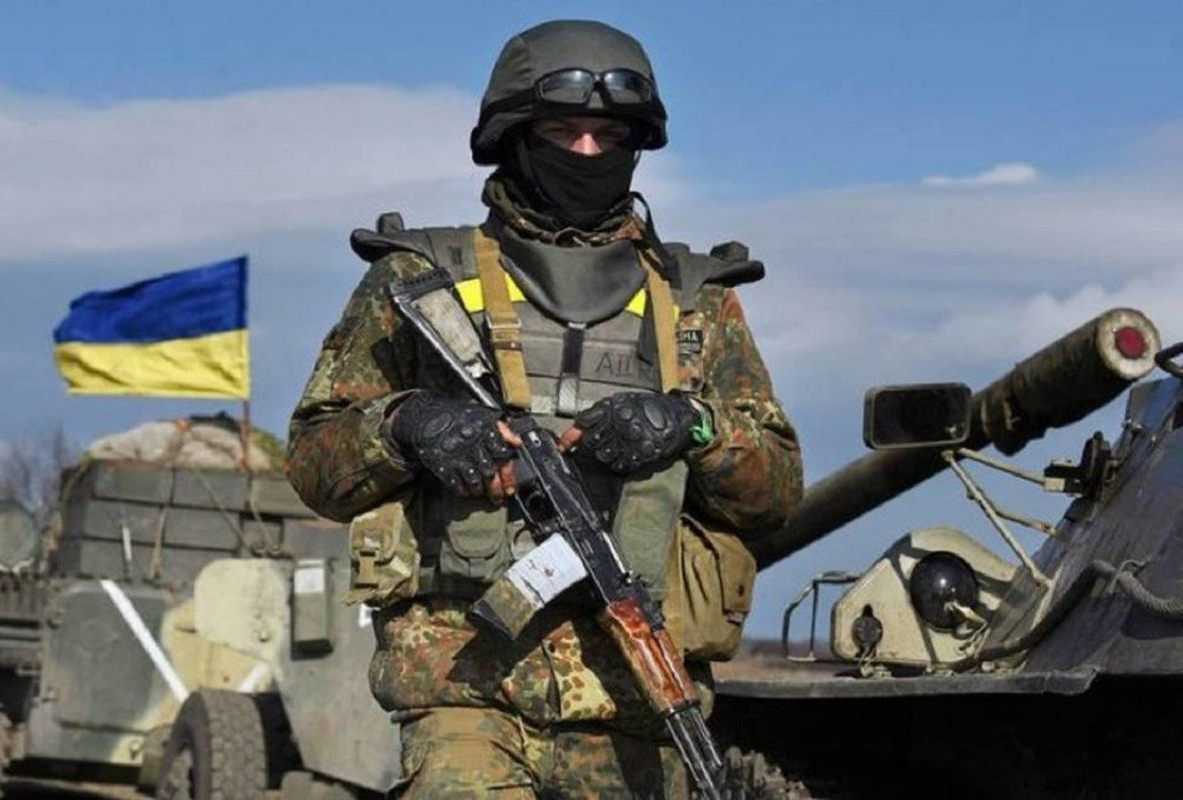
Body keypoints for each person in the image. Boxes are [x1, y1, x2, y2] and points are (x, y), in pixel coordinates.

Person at [287, 19, 803, 798]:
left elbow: (776, 490)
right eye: (563, 131)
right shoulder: (417, 282)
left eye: (608, 135)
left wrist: (690, 427)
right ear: (514, 136)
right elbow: (315, 461)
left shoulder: (696, 304)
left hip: (638, 697)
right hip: (464, 690)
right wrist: (408, 426)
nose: (587, 153)